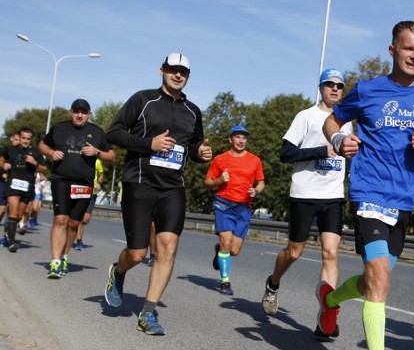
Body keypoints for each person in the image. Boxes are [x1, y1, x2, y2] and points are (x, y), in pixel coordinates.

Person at [321, 20, 414, 350]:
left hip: (403, 201)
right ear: (392, 49)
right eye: (408, 48)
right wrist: (339, 139)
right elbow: (334, 118)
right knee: (380, 278)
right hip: (368, 193)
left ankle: (329, 301)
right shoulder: (367, 90)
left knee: (370, 282)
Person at [103, 53, 213, 335]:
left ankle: (148, 313)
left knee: (168, 248)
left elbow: (194, 147)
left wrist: (201, 154)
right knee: (138, 253)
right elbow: (113, 133)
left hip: (173, 187)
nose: (178, 75)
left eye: (183, 72)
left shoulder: (193, 111)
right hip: (140, 183)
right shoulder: (143, 99)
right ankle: (119, 271)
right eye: (173, 70)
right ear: (162, 70)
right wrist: (148, 143)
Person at [261, 68, 352, 318]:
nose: (334, 88)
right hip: (304, 193)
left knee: (331, 252)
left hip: (333, 195)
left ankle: (327, 313)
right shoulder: (306, 116)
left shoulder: (347, 121)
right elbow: (285, 154)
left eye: (339, 85)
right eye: (329, 84)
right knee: (294, 252)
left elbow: (348, 155)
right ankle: (273, 283)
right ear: (321, 88)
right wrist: (319, 152)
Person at [40, 98, 115, 278]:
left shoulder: (97, 132)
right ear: (70, 112)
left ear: (89, 114)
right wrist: (51, 153)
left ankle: (65, 255)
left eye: (83, 112)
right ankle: (55, 262)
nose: (79, 115)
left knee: (74, 224)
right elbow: (42, 144)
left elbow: (112, 155)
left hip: (83, 184)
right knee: (60, 220)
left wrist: (97, 152)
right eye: (76, 111)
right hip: (61, 180)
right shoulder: (59, 128)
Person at [204, 125, 265, 295]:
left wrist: (257, 190)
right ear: (230, 139)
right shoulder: (220, 159)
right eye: (237, 137)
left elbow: (261, 182)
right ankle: (225, 283)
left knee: (234, 250)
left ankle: (219, 253)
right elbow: (206, 182)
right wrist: (218, 180)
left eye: (244, 137)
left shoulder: (255, 160)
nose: (241, 140)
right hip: (223, 204)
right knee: (226, 242)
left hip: (244, 206)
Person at [0, 127, 47, 252]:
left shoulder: (35, 152)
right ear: (19, 137)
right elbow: (1, 160)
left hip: (28, 186)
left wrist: (34, 163)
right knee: (13, 212)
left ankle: (9, 231)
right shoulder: (10, 149)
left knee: (19, 215)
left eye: (28, 139)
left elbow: (44, 169)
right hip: (13, 184)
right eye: (23, 138)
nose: (26, 141)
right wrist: (3, 165)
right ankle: (11, 242)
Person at [72, 156, 105, 250]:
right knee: (80, 218)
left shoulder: (98, 162)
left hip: (92, 193)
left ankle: (74, 228)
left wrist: (99, 183)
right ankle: (79, 241)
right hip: (81, 191)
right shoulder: (80, 160)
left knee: (85, 220)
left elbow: (101, 174)